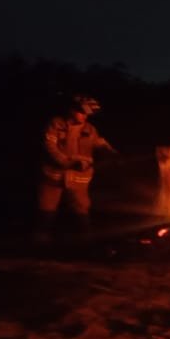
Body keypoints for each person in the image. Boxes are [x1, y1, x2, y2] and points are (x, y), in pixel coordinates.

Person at [37, 94, 118, 241]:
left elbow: (99, 143)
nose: (85, 116)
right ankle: (40, 242)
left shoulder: (90, 129)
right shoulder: (56, 124)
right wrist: (67, 162)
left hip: (79, 178)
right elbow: (49, 146)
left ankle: (86, 241)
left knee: (81, 209)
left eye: (87, 114)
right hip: (53, 176)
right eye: (81, 112)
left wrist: (110, 152)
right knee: (46, 209)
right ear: (71, 110)